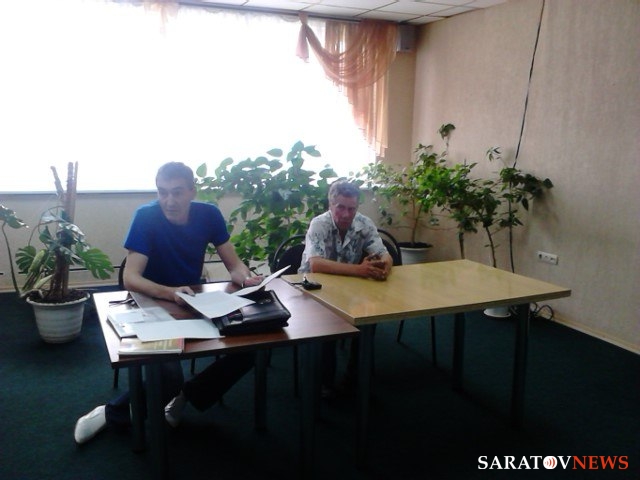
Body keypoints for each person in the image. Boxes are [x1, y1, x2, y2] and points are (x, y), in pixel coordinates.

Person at [74, 162, 263, 445]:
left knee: (249, 349)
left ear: (192, 192)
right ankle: (110, 412)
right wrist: (170, 293)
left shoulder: (208, 214)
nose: (169, 201)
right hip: (150, 302)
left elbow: (234, 265)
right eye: (162, 192)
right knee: (169, 375)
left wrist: (246, 278)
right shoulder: (146, 216)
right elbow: (130, 278)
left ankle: (184, 398)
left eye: (177, 192)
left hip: (191, 302)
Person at [299, 179, 393, 395]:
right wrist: (360, 270)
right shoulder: (319, 224)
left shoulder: (364, 223)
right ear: (330, 204)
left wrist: (383, 267)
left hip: (348, 287)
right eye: (340, 207)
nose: (346, 214)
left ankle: (355, 379)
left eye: (351, 209)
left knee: (369, 319)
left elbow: (384, 254)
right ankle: (325, 384)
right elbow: (316, 264)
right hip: (312, 287)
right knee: (326, 324)